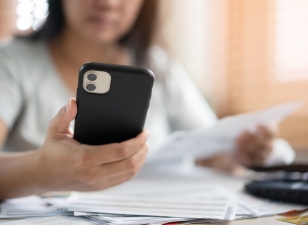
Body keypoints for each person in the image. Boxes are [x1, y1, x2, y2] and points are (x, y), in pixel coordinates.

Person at [0, 0, 294, 200]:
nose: (109, 3)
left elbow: (209, 149)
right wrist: (43, 170)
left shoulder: (159, 66)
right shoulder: (11, 61)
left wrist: (239, 152)